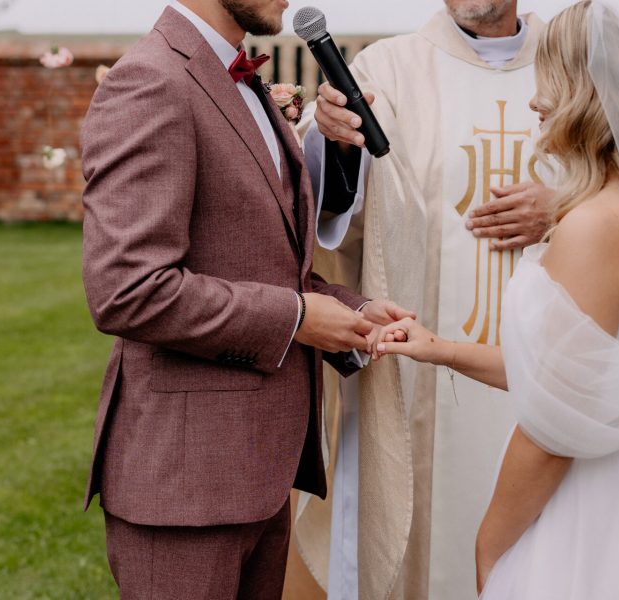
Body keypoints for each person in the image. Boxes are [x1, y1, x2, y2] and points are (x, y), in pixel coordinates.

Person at [373, 0, 619, 598]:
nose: (536, 99)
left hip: (588, 509)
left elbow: (553, 431)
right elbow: (576, 376)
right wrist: (440, 349)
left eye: (551, 77)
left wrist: (491, 542)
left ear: (591, 93)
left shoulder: (597, 227)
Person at [80, 0, 412, 597]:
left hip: (260, 470)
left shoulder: (239, 79)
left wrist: (350, 312)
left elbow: (261, 261)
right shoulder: (151, 80)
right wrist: (300, 319)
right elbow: (127, 289)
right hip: (182, 489)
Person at [295, 2, 555, 598]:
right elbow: (333, 212)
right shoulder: (387, 68)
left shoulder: (575, 65)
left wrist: (562, 204)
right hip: (416, 370)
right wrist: (338, 148)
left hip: (550, 364)